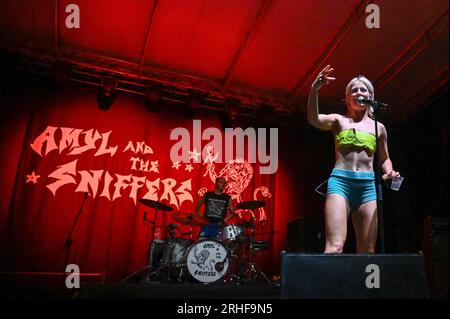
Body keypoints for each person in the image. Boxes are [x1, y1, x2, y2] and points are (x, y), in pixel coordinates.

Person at [307, 65, 401, 254]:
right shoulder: (339, 121)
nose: (359, 92)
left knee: (368, 250)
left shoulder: (379, 127)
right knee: (335, 246)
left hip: (367, 187)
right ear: (347, 98)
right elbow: (314, 119)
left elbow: (384, 158)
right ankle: (329, 284)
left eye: (363, 89)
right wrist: (314, 90)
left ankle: (363, 285)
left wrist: (389, 171)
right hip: (340, 183)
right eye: (354, 90)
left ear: (371, 97)